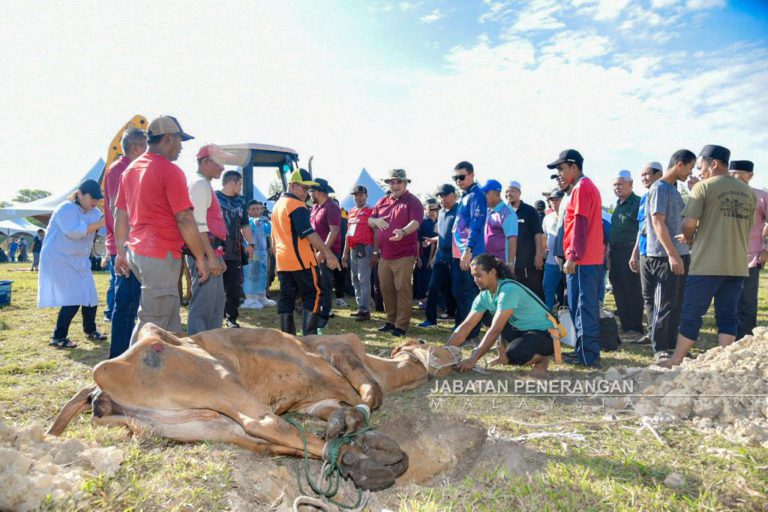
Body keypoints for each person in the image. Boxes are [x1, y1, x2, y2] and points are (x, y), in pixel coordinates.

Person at [114, 115, 209, 344]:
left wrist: (120, 252)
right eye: (179, 140)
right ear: (168, 139)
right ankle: (133, 365)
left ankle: (170, 363)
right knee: (152, 323)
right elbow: (184, 217)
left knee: (168, 319)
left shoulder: (131, 169)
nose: (181, 147)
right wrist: (200, 258)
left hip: (139, 252)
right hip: (159, 254)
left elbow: (120, 214)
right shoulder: (169, 170)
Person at [660, 145, 756, 368]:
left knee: (692, 313)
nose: (699, 170)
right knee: (728, 315)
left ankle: (676, 358)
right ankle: (724, 361)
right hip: (737, 265)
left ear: (714, 163)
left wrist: (690, 237)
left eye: (701, 165)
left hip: (707, 264)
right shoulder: (748, 193)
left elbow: (688, 223)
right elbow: (746, 227)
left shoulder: (703, 187)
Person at [447, 255, 556, 378]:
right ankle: (502, 357)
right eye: (473, 276)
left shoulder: (508, 290)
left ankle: (542, 360)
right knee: (487, 315)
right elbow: (466, 325)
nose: (475, 280)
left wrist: (473, 358)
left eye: (479, 275)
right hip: (521, 330)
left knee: (515, 355)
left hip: (546, 333)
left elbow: (496, 329)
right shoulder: (484, 295)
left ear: (492, 272)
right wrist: (445, 349)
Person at [548, 149, 604, 367]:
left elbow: (580, 225)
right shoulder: (579, 188)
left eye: (562, 168)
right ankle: (583, 351)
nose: (560, 174)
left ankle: (589, 356)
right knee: (578, 307)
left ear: (574, 167)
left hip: (583, 261)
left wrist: (573, 256)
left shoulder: (582, 188)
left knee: (583, 308)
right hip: (584, 260)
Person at [38, 180, 107, 348]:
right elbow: (73, 232)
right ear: (80, 194)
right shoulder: (66, 208)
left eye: (97, 198)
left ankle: (90, 330)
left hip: (80, 260)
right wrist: (100, 224)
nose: (95, 201)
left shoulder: (95, 212)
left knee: (90, 295)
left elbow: (105, 230)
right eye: (92, 197)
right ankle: (58, 336)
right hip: (60, 259)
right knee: (73, 297)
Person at [272, 169, 340, 335]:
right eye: (304, 188)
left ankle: (287, 339)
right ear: (292, 185)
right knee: (313, 294)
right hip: (302, 261)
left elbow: (273, 238)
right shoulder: (296, 205)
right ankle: (309, 336)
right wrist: (328, 254)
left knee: (286, 298)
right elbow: (309, 233)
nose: (306, 193)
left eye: (308, 189)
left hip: (283, 262)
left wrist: (276, 263)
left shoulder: (278, 205)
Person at [644, 150, 696, 362]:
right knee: (663, 304)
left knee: (676, 304)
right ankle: (660, 347)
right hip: (664, 257)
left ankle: (673, 345)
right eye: (690, 167)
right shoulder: (659, 188)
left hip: (680, 254)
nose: (690, 172)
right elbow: (658, 222)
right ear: (680, 164)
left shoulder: (674, 190)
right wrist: (672, 254)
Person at [368, 168, 423, 337]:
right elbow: (369, 220)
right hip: (384, 255)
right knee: (386, 289)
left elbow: (416, 222)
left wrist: (403, 232)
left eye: (399, 182)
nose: (395, 185)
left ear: (405, 183)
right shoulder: (382, 201)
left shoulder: (413, 201)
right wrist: (376, 220)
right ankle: (390, 321)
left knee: (402, 290)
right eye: (392, 182)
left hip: (404, 254)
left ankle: (401, 325)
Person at [185, 144, 231, 335]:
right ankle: (198, 345)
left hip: (210, 251)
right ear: (205, 162)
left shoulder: (202, 184)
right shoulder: (200, 184)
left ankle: (211, 344)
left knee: (214, 305)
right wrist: (210, 257)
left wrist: (216, 255)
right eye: (219, 163)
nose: (223, 167)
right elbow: (198, 224)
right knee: (204, 307)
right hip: (205, 252)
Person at [103, 128, 148, 323]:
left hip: (132, 244)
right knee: (126, 303)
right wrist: (124, 246)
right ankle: (122, 341)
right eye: (146, 146)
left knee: (133, 302)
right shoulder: (120, 169)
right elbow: (117, 208)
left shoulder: (130, 168)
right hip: (125, 245)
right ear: (136, 148)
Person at [729, 160, 768, 339]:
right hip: (725, 257)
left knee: (746, 301)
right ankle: (727, 339)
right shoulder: (724, 195)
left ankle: (744, 339)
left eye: (736, 173)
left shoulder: (761, 196)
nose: (732, 177)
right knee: (727, 301)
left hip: (750, 257)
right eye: (730, 173)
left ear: (750, 175)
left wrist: (766, 248)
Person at [628, 162, 664, 344]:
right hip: (644, 252)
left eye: (647, 174)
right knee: (647, 295)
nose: (644, 178)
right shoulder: (644, 198)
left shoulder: (665, 194)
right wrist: (635, 253)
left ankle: (663, 335)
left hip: (659, 253)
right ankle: (651, 332)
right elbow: (640, 228)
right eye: (641, 175)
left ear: (659, 175)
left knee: (662, 297)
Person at [451, 161, 487, 342]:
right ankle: (461, 328)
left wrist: (468, 250)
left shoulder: (477, 195)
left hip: (470, 253)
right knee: (459, 292)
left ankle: (470, 333)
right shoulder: (465, 195)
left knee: (468, 293)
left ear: (472, 175)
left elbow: (476, 224)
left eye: (462, 177)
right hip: (458, 252)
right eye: (455, 177)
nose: (458, 180)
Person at [216, 171, 255, 328]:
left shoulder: (241, 202)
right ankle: (215, 318)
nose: (241, 187)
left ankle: (231, 318)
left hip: (235, 252)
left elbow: (245, 225)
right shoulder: (214, 198)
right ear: (231, 183)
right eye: (239, 184)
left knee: (234, 288)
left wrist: (250, 244)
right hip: (216, 251)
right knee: (216, 288)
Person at [608, 170, 644, 339]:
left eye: (621, 184)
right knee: (618, 289)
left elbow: (641, 230)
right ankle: (625, 325)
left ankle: (635, 328)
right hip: (615, 252)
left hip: (630, 251)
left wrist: (636, 255)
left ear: (631, 184)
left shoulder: (638, 202)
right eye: (615, 185)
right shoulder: (617, 205)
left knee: (632, 289)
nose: (617, 187)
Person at [420, 184, 459, 328]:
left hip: (456, 258)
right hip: (441, 257)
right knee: (433, 287)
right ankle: (431, 320)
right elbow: (443, 236)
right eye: (441, 196)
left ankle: (458, 319)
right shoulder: (441, 213)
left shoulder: (460, 212)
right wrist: (433, 241)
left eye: (446, 196)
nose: (443, 199)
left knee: (455, 290)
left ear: (454, 196)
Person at [309, 178, 341, 332]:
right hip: (316, 251)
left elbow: (334, 230)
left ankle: (325, 314)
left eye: (311, 191)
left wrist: (324, 251)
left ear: (319, 192)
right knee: (317, 282)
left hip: (328, 251)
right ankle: (318, 310)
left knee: (325, 283)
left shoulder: (332, 206)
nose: (309, 194)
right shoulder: (316, 207)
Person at [505, 180, 545, 300]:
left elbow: (538, 234)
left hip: (528, 262)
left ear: (519, 193)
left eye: (512, 191)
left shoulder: (529, 210)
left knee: (533, 292)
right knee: (515, 292)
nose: (509, 194)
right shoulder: (505, 211)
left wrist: (539, 255)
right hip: (510, 262)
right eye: (507, 192)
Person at [341, 185, 375, 321]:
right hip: (353, 249)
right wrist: (345, 253)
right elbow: (348, 234)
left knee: (363, 279)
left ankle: (364, 310)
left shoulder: (371, 211)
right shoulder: (351, 211)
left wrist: (375, 252)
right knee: (354, 278)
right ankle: (360, 306)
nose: (358, 197)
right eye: (355, 195)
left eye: (361, 195)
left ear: (366, 196)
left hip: (366, 248)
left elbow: (377, 232)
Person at [481, 179, 518, 273]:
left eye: (486, 193)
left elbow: (512, 239)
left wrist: (510, 263)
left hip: (502, 264)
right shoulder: (488, 210)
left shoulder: (505, 211)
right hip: (489, 262)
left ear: (496, 194)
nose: (484, 196)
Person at [243, 200, 275, 309]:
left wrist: (267, 223)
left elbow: (268, 231)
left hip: (262, 252)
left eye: (258, 208)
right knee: (252, 274)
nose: (257, 211)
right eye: (253, 209)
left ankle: (261, 296)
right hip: (253, 252)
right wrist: (257, 221)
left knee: (262, 274)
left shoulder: (262, 221)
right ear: (248, 211)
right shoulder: (248, 221)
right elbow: (252, 224)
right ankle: (250, 298)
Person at [542, 188, 565, 310]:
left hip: (567, 261)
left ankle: (568, 317)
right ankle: (548, 316)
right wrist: (542, 253)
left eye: (557, 199)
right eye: (552, 200)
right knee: (548, 288)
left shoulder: (569, 216)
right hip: (551, 262)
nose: (554, 202)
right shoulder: (547, 218)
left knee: (568, 292)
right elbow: (544, 237)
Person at [414, 198, 439, 304]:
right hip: (423, 253)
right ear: (425, 209)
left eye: (435, 209)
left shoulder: (439, 222)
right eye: (430, 209)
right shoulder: (422, 222)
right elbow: (418, 241)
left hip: (437, 253)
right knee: (422, 275)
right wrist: (418, 257)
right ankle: (421, 298)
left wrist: (432, 258)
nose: (433, 211)